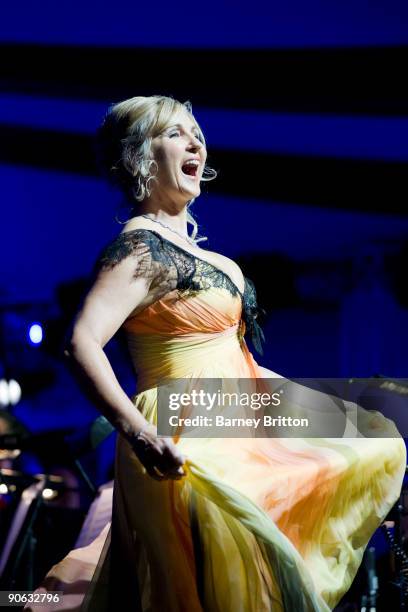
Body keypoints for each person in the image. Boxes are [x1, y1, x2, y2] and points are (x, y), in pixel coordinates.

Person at [25, 95, 406, 611]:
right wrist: (140, 435)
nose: (195, 142)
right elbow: (82, 342)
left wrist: (333, 404)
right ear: (140, 156)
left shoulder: (215, 259)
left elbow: (238, 361)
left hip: (238, 423)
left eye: (196, 133)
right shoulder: (140, 247)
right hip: (184, 429)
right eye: (175, 133)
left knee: (371, 448)